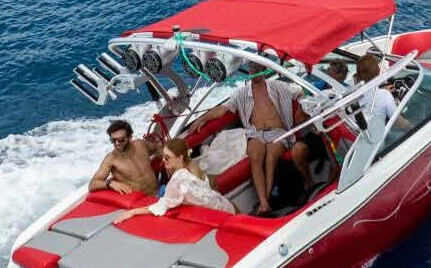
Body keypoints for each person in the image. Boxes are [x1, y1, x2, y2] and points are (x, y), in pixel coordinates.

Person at [228, 68, 302, 216]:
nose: (255, 72)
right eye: (252, 69)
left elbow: (299, 91)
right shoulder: (241, 93)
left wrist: (299, 108)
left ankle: (265, 200)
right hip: (255, 133)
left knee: (270, 158)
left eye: (258, 69)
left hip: (278, 132)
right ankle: (264, 204)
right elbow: (224, 109)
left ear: (263, 71)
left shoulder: (277, 85)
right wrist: (201, 119)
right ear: (249, 72)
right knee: (255, 158)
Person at [120, 140, 235, 218]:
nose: (163, 160)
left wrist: (134, 212)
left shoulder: (179, 178)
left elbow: (162, 205)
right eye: (163, 156)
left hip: (219, 214)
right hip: (226, 205)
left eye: (167, 157)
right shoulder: (192, 165)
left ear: (180, 158)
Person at [90, 119, 160, 196]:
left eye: (120, 140)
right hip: (141, 201)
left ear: (130, 137)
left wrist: (160, 156)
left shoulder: (140, 144)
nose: (116, 144)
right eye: (113, 140)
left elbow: (157, 148)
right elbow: (92, 184)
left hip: (159, 192)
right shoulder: (111, 159)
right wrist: (110, 183)